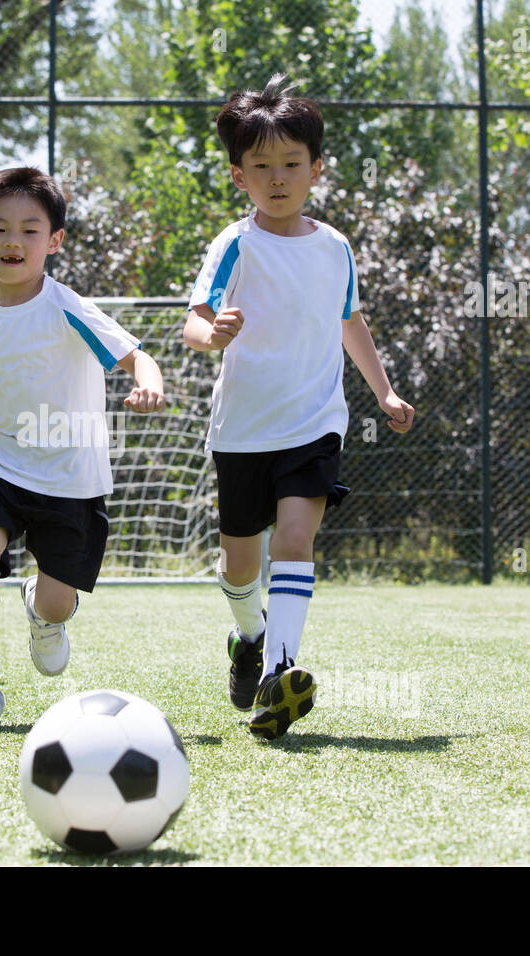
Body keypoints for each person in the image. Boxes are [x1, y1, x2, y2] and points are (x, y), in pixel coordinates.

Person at [183, 75, 415, 740]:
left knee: (294, 540)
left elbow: (350, 321)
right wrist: (212, 335)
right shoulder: (236, 244)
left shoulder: (334, 246)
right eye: (261, 167)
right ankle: (249, 635)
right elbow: (194, 323)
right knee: (238, 567)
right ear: (239, 176)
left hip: (314, 424)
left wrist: (384, 390)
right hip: (242, 429)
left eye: (291, 165)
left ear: (316, 169)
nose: (277, 178)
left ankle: (278, 673)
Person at [0, 167, 165, 731]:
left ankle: (44, 613)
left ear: (55, 240)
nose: (13, 242)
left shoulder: (67, 307)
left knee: (56, 602)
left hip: (72, 478)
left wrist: (149, 382)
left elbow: (136, 355)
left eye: (29, 230)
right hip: (1, 465)